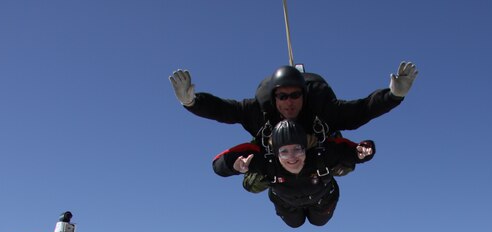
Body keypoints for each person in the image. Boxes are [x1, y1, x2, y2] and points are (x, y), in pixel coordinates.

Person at [169, 62, 418, 144]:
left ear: (304, 96)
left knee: (319, 215)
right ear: (274, 97)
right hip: (282, 171)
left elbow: (363, 109)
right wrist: (191, 102)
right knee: (292, 217)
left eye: (295, 95)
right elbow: (225, 110)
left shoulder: (324, 109)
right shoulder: (258, 112)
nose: (289, 102)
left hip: (316, 164)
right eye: (283, 96)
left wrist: (393, 95)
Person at [212, 120, 375, 228]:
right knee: (294, 223)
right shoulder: (266, 159)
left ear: (306, 147)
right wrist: (234, 166)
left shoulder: (321, 153)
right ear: (275, 151)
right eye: (284, 151)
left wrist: (363, 152)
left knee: (319, 221)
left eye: (297, 149)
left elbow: (352, 151)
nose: (291, 157)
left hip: (321, 197)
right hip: (286, 201)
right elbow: (221, 165)